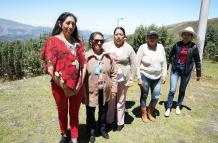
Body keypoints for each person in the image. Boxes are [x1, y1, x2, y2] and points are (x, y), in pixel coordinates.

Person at [40, 12, 86, 143]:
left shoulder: (78, 43)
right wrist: (64, 87)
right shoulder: (52, 41)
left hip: (77, 85)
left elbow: (83, 65)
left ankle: (74, 137)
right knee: (62, 111)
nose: (70, 26)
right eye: (68, 23)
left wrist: (79, 86)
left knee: (74, 112)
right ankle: (64, 134)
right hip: (59, 86)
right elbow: (50, 68)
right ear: (60, 24)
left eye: (73, 24)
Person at [84, 32, 117, 142]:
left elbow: (113, 74)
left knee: (103, 111)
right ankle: (91, 132)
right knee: (90, 112)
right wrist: (82, 94)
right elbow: (82, 78)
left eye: (101, 41)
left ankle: (102, 130)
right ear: (91, 42)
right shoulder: (86, 57)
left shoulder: (108, 56)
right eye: (96, 40)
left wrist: (114, 89)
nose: (99, 43)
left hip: (105, 89)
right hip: (90, 91)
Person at [104, 27, 136, 131]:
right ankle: (109, 121)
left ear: (124, 36)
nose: (118, 36)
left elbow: (134, 64)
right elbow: (101, 57)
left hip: (123, 78)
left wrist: (131, 78)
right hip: (110, 78)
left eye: (121, 34)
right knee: (111, 100)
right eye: (116, 34)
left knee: (121, 100)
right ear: (114, 35)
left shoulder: (129, 48)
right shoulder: (106, 45)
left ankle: (120, 122)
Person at [164, 26, 201, 117]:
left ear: (191, 36)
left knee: (182, 90)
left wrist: (198, 73)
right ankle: (169, 107)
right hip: (175, 69)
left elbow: (197, 61)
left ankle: (178, 106)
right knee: (172, 89)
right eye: (184, 34)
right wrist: (167, 68)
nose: (186, 36)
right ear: (182, 35)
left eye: (188, 35)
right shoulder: (177, 45)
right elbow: (170, 56)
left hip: (186, 71)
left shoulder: (194, 47)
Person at [136, 30, 167, 122]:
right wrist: (138, 77)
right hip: (145, 75)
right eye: (150, 37)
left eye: (154, 37)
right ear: (147, 38)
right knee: (144, 95)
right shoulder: (142, 47)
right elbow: (137, 63)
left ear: (157, 38)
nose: (152, 38)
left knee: (156, 96)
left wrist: (164, 75)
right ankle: (144, 114)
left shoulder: (161, 47)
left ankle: (150, 112)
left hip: (157, 77)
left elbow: (164, 62)